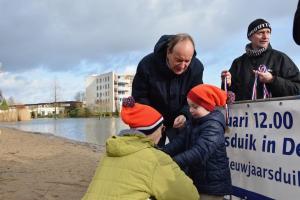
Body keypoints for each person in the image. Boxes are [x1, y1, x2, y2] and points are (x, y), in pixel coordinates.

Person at [82, 96, 200, 200]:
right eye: (162, 129)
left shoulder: (111, 150)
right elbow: (191, 195)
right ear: (152, 131)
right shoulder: (155, 158)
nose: (162, 133)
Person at [132, 33, 204, 146]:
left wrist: (185, 114)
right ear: (168, 52)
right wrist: (155, 121)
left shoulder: (197, 67)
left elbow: (195, 97)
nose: (182, 66)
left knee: (183, 153)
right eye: (178, 60)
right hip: (152, 121)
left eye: (187, 61)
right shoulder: (146, 65)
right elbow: (140, 98)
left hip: (180, 119)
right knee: (150, 153)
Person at [163, 84, 232, 200]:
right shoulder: (194, 121)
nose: (190, 110)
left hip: (212, 185)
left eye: (195, 107)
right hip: (198, 180)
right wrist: (161, 152)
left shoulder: (213, 126)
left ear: (208, 106)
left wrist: (173, 162)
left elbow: (199, 152)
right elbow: (179, 141)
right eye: (189, 106)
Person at [221, 18, 300, 101]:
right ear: (250, 36)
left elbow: (298, 89)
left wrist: (272, 80)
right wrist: (227, 83)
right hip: (246, 113)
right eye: (260, 33)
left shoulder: (280, 58)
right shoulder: (238, 63)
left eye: (268, 32)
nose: (265, 36)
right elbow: (228, 98)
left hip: (275, 112)